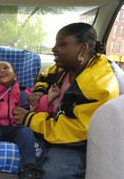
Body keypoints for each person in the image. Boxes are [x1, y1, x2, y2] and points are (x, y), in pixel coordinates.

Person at [13, 22, 124, 179]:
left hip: (78, 143)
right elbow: (45, 76)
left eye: (62, 44)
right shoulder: (67, 66)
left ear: (82, 49)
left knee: (54, 171)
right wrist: (39, 91)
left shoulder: (100, 83)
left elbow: (78, 130)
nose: (54, 49)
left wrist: (29, 119)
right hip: (52, 125)